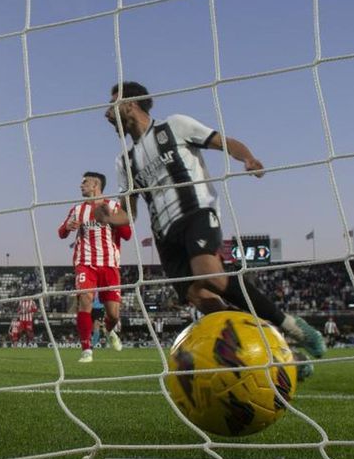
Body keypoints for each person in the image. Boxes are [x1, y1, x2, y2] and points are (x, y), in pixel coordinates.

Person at [103, 81, 326, 377]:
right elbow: (128, 214)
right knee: (202, 299)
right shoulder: (125, 161)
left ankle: (289, 325)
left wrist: (246, 158)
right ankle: (285, 356)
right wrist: (106, 215)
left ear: (130, 104)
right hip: (165, 238)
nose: (107, 112)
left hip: (195, 212)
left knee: (210, 273)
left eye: (112, 102)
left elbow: (223, 141)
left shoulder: (174, 126)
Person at [59, 171, 131, 363]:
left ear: (95, 185)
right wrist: (68, 227)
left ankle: (109, 330)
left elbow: (127, 234)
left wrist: (111, 219)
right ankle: (86, 349)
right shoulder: (77, 209)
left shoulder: (114, 206)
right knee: (85, 300)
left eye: (85, 182)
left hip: (109, 265)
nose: (81, 186)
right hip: (85, 264)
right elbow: (61, 233)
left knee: (113, 314)